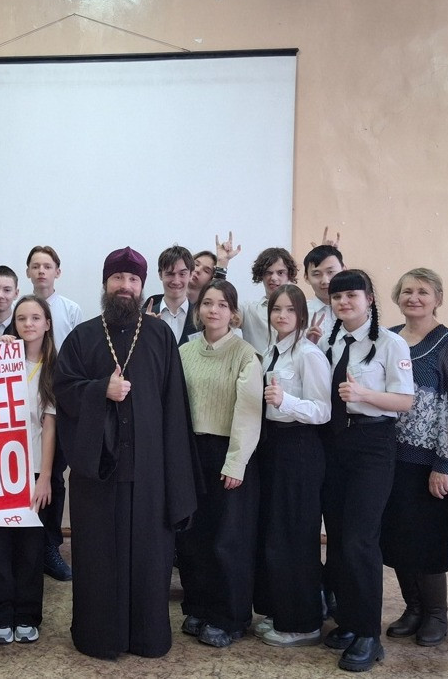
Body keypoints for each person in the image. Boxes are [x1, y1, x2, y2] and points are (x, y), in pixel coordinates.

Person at [53, 246, 198, 659]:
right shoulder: (82, 337)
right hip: (100, 473)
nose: (125, 286)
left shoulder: (160, 336)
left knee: (150, 559)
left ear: (142, 286)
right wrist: (102, 389)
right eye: (118, 278)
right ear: (106, 283)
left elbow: (175, 409)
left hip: (149, 472)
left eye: (133, 279)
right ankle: (98, 636)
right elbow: (64, 391)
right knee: (99, 559)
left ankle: (147, 636)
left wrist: (176, 480)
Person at [320, 269, 414, 672]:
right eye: (337, 297)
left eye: (352, 296)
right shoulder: (328, 341)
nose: (343, 302)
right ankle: (349, 621)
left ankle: (368, 636)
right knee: (339, 537)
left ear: (369, 299)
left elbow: (405, 401)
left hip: (372, 445)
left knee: (360, 539)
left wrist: (363, 394)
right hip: (333, 443)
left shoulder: (391, 343)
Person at [380, 269, 448, 648]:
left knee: (428, 540)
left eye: (422, 291)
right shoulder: (387, 338)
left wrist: (444, 464)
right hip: (390, 459)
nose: (413, 298)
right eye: (407, 291)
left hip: (432, 463)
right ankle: (413, 608)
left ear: (438, 298)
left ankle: (436, 614)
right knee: (399, 537)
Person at [177, 279, 262, 648]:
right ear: (199, 311)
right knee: (193, 537)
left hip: (229, 452)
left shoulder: (245, 354)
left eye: (222, 305)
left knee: (228, 540)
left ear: (233, 313)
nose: (213, 310)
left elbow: (249, 412)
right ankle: (199, 606)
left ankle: (231, 617)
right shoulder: (185, 352)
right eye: (207, 303)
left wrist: (236, 462)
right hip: (191, 452)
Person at [256, 283, 331, 647]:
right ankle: (282, 610)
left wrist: (286, 401)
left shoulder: (308, 354)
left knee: (297, 535)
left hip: (300, 447)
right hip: (274, 446)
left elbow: (323, 410)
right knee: (277, 533)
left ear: (302, 315)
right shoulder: (272, 350)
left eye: (289, 309)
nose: (282, 315)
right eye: (276, 309)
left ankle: (304, 623)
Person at [0, 296, 56, 644]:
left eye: (35, 318)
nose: (28, 324)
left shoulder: (54, 367)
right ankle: (1, 614)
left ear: (47, 324)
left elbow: (50, 426)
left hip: (34, 470)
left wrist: (45, 477)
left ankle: (27, 614)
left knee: (30, 548)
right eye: (22, 318)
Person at [25, 245, 82, 581]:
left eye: (47, 266)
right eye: (35, 266)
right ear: (28, 272)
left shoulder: (70, 309)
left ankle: (50, 546)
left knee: (53, 478)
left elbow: (76, 354)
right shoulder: (20, 308)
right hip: (23, 403)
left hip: (57, 395)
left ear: (57, 272)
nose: (41, 271)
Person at [240, 247, 299, 354]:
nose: (274, 278)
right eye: (268, 273)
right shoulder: (248, 310)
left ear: (289, 275)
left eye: (280, 273)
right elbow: (218, 304)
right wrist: (222, 266)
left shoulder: (302, 309)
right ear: (261, 275)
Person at [145, 245, 197, 346]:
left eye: (182, 274)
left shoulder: (202, 318)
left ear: (191, 274)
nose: (176, 281)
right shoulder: (142, 318)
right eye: (170, 274)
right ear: (160, 275)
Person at [303, 245, 345, 344]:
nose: (325, 281)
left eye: (330, 272)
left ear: (344, 271)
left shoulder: (354, 310)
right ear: (306, 277)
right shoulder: (299, 313)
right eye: (316, 274)